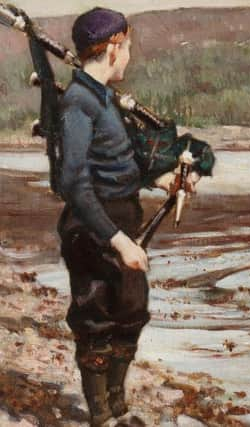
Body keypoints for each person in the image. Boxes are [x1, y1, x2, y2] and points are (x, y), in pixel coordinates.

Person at [57, 8, 201, 426]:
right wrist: (118, 240)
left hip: (123, 218)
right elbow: (75, 185)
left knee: (132, 312)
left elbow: (116, 164)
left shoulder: (103, 97)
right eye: (129, 48)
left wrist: (163, 180)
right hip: (92, 228)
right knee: (96, 320)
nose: (130, 57)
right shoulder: (78, 102)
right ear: (114, 47)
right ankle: (101, 417)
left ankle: (118, 404)